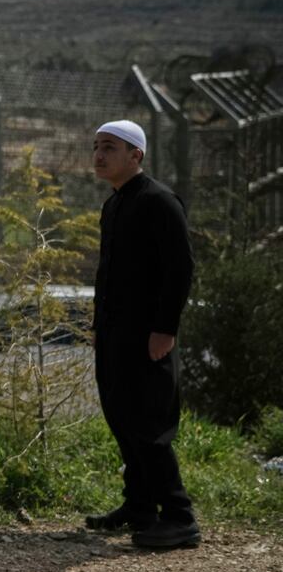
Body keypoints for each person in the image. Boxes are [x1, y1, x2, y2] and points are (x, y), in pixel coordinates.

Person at [86, 119, 199, 549]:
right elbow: (109, 274)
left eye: (109, 147)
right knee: (122, 418)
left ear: (136, 155)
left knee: (150, 425)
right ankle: (139, 506)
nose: (98, 155)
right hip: (115, 335)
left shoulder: (159, 201)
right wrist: (100, 328)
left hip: (147, 336)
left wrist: (165, 330)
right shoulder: (114, 204)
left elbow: (180, 270)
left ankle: (178, 516)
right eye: (96, 147)